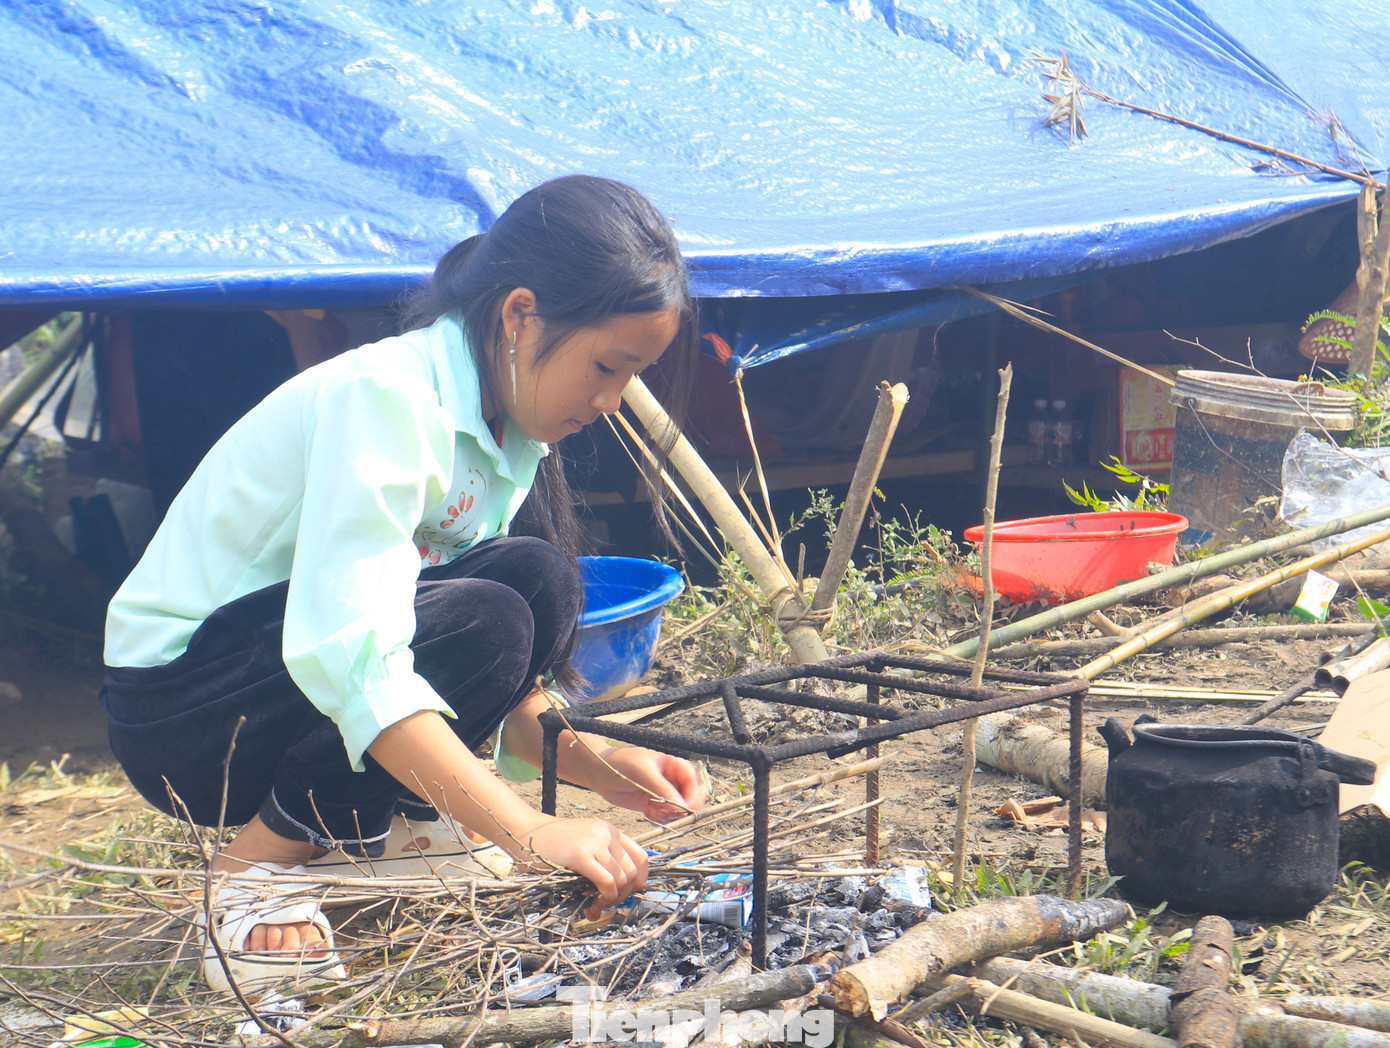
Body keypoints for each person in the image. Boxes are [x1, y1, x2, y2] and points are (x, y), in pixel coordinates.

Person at [99, 174, 707, 994]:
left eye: (628, 379)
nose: (607, 401)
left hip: (265, 676)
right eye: (605, 366)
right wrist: (528, 830)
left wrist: (603, 766)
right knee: (490, 609)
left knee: (535, 579)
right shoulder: (386, 399)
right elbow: (357, 655)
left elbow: (489, 668)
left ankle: (411, 824)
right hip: (186, 711)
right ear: (519, 314)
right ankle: (257, 870)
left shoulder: (502, 436)